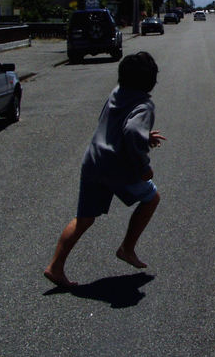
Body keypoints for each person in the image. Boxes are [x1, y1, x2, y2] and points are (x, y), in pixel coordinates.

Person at [44, 51, 166, 288]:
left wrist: (143, 136)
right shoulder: (144, 106)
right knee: (151, 198)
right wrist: (144, 167)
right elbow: (131, 131)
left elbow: (118, 125)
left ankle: (55, 266)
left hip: (93, 160)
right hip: (116, 167)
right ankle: (127, 248)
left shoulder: (116, 92)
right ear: (151, 81)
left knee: (84, 218)